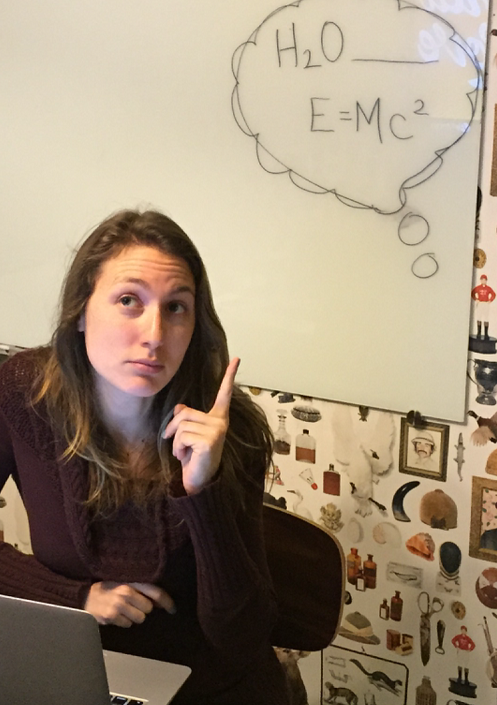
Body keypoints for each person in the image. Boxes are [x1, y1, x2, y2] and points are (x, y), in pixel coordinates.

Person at [0, 209, 289, 704]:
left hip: (210, 689)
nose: (155, 334)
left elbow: (242, 638)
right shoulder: (27, 394)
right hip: (83, 678)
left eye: (176, 307)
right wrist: (75, 598)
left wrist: (202, 490)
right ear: (80, 313)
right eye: (129, 301)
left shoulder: (231, 431)